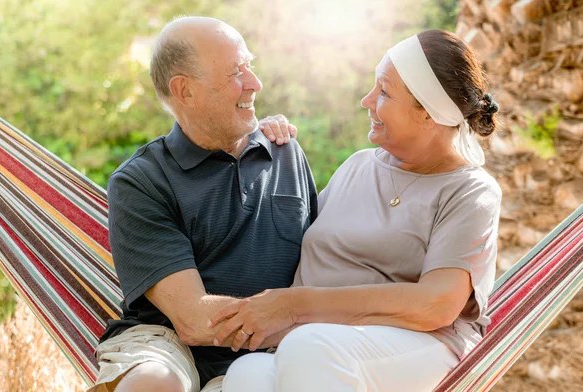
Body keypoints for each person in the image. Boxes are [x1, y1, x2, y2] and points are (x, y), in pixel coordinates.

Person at [211, 29, 502, 392]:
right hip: (314, 344)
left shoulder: (469, 191)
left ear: (428, 114)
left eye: (383, 92)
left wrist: (295, 306)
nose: (366, 101)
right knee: (248, 374)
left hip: (424, 345)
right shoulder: (358, 166)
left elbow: (437, 304)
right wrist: (262, 140)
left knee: (310, 348)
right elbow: (285, 241)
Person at [88, 17, 318, 392]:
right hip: (167, 341)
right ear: (185, 90)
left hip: (272, 349)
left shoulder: (286, 152)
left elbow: (326, 260)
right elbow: (193, 321)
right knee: (154, 383)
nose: (255, 84)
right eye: (234, 72)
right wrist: (297, 313)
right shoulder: (141, 181)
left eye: (250, 65)